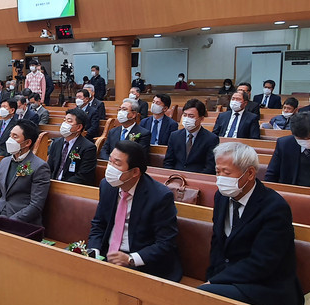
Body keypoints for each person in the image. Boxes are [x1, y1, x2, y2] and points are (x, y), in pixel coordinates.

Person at [197, 142, 305, 305]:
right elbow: (217, 242)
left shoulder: (274, 207)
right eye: (217, 172)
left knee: (202, 297)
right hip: (232, 279)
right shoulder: (222, 197)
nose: (220, 178)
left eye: (226, 172)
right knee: (199, 296)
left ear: (250, 173)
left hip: (267, 286)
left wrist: (217, 281)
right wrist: (212, 278)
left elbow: (262, 262)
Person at [87, 140, 182, 282]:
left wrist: (131, 259)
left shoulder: (159, 196)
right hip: (108, 254)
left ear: (135, 172)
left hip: (141, 260)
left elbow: (165, 242)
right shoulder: (107, 185)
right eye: (110, 161)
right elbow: (99, 223)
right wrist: (94, 249)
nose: (110, 168)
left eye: (117, 164)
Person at [0, 120, 51, 227]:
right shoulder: (4, 162)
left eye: (15, 137)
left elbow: (36, 205)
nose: (10, 140)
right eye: (10, 135)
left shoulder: (39, 167)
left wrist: (9, 222)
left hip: (22, 222)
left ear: (27, 143)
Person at [163, 99, 219, 174]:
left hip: (198, 179)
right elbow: (168, 162)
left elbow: (210, 167)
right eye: (185, 115)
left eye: (191, 116)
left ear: (201, 118)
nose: (187, 119)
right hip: (175, 177)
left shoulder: (211, 139)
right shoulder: (175, 136)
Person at [47, 108, 97, 185]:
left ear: (79, 127)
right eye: (64, 120)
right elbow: (49, 168)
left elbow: (83, 176)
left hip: (71, 188)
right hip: (52, 184)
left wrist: (62, 186)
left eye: (69, 121)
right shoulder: (56, 143)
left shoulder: (88, 148)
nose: (64, 124)